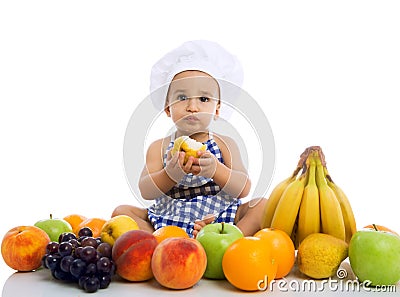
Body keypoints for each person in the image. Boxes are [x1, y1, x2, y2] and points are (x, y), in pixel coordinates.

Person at [112, 40, 267, 238]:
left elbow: (243, 188)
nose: (192, 107)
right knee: (121, 213)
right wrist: (170, 174)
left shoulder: (225, 144)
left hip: (218, 217)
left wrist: (215, 170)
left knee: (262, 205)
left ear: (217, 109)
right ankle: (165, 242)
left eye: (203, 99)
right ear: (167, 108)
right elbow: (146, 190)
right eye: (182, 97)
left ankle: (229, 241)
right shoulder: (159, 147)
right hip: (170, 219)